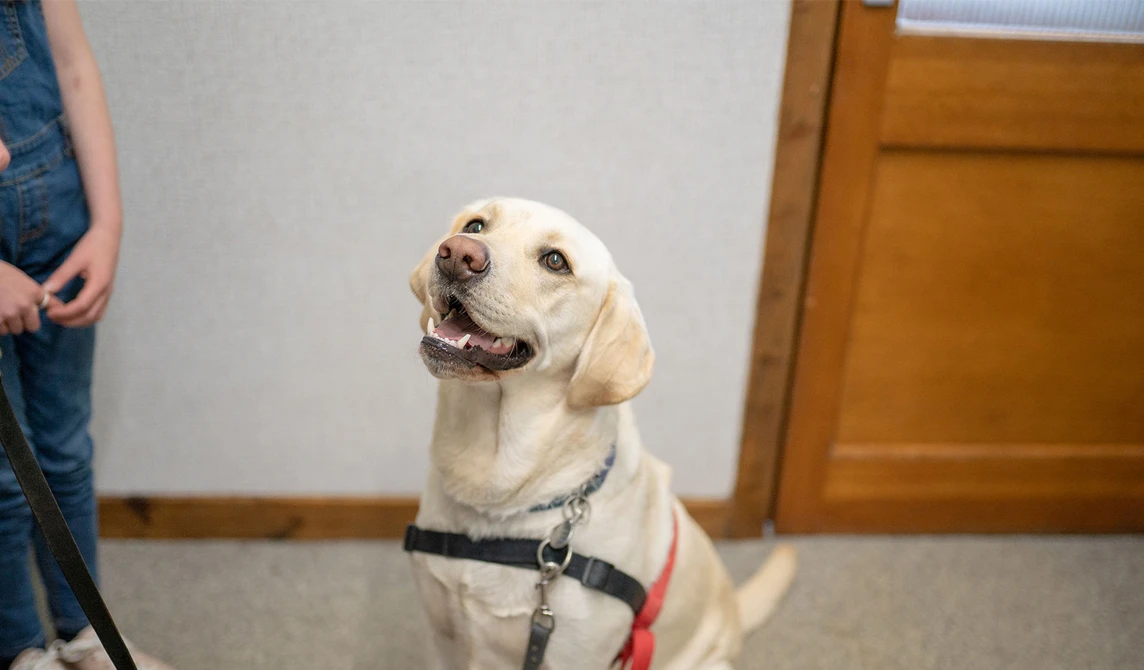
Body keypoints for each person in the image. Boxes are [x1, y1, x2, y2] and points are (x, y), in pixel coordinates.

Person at [0, 2, 169, 668]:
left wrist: (107, 226)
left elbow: (73, 67)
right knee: (5, 478)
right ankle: (21, 648)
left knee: (64, 449)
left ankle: (82, 633)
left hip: (57, 219)